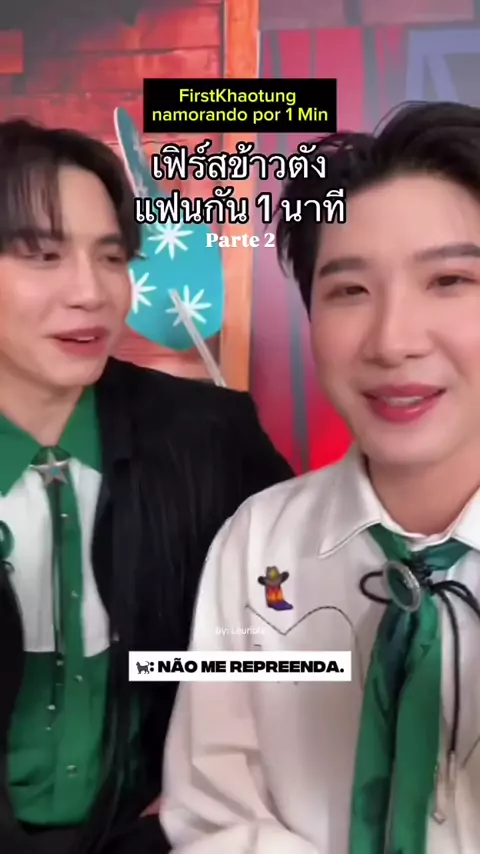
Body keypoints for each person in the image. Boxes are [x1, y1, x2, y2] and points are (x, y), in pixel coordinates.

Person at [160, 100, 480, 854]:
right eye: (349, 291)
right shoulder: (257, 542)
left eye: (449, 280)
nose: (392, 341)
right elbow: (214, 812)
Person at [0, 118, 293, 854]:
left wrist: (213, 777)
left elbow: (302, 630)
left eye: (111, 257)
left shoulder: (209, 436)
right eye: (43, 255)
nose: (91, 292)